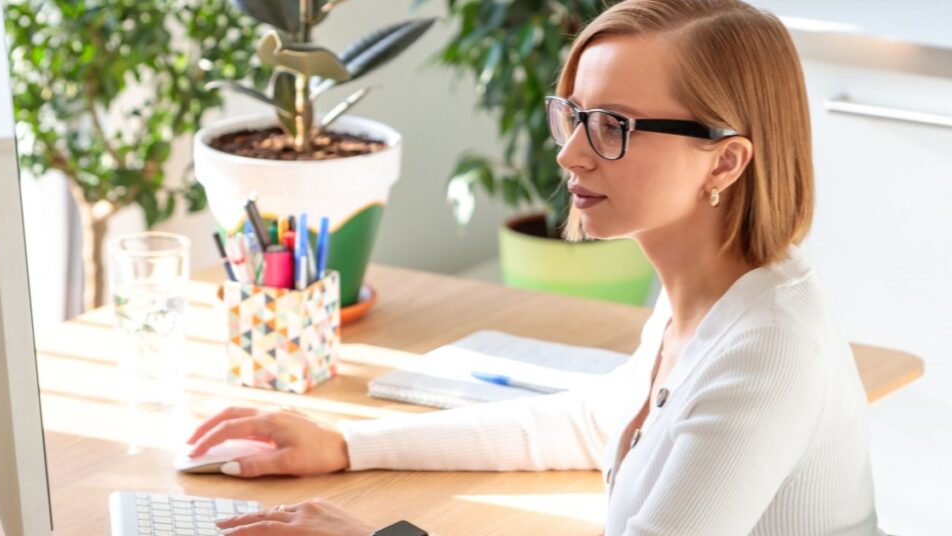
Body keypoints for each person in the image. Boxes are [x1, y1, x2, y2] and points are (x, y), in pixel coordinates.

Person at [189, 0, 884, 534]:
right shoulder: (701, 295)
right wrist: (345, 445)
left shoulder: (768, 348)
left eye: (614, 126)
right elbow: (589, 423)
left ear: (725, 161)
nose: (570, 155)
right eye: (572, 115)